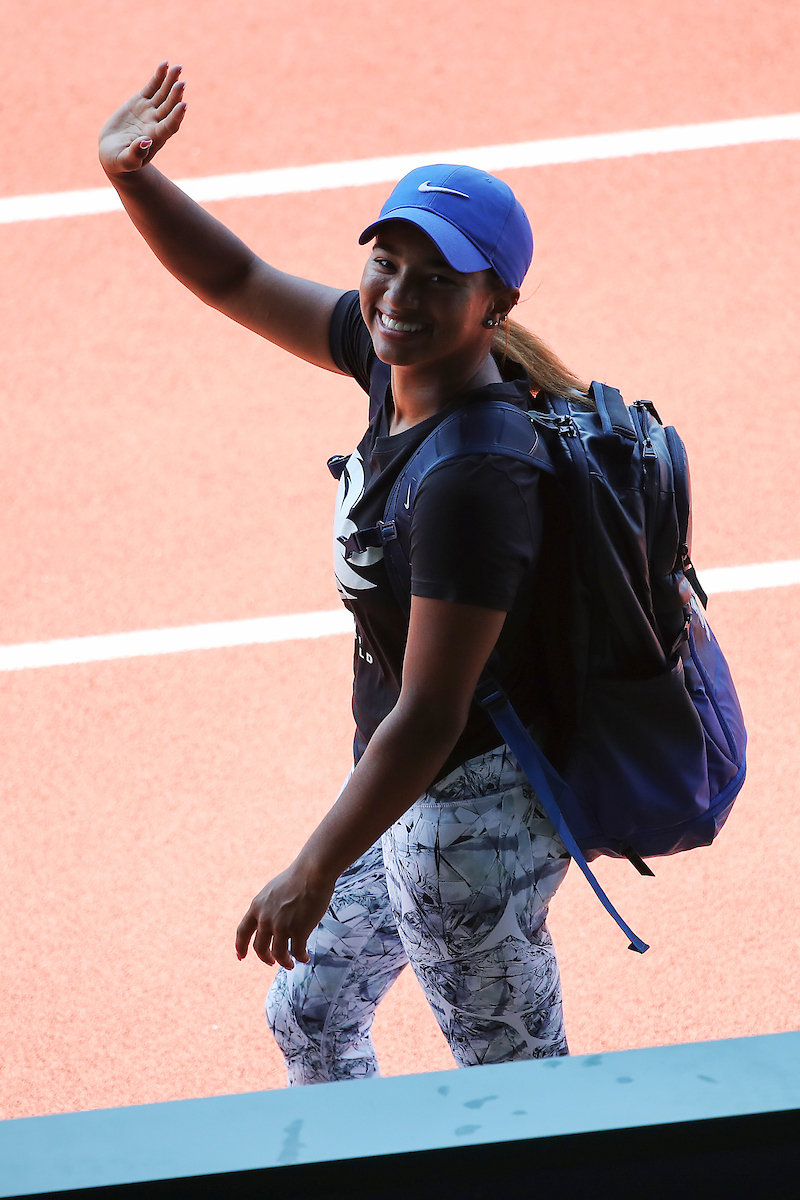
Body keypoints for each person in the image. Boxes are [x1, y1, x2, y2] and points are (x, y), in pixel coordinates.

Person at [100, 62, 591, 1085]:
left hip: (471, 821)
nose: (397, 295)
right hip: (409, 788)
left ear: (494, 304)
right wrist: (133, 177)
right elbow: (237, 280)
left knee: (517, 1093)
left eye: (438, 278)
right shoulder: (395, 363)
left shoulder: (471, 477)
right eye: (387, 262)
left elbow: (429, 712)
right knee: (310, 1016)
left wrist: (310, 871)